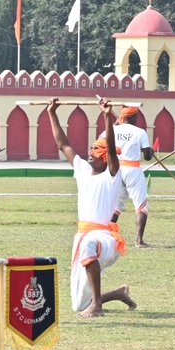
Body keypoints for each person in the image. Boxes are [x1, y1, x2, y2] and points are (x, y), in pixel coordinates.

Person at [48, 97, 136, 318]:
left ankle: (97, 307)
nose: (89, 154)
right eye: (90, 150)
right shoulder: (82, 170)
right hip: (83, 237)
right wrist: (52, 113)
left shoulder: (112, 175)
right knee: (78, 304)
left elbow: (114, 153)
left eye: (96, 152)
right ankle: (117, 293)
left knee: (88, 244)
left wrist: (107, 116)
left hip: (105, 239)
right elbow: (63, 144)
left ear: (105, 158)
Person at [105, 106, 154, 247]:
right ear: (132, 117)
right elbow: (147, 156)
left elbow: (102, 143)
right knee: (141, 205)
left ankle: (105, 234)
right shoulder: (140, 132)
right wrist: (150, 150)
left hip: (116, 168)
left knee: (116, 205)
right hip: (132, 169)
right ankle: (139, 240)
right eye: (136, 117)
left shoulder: (113, 129)